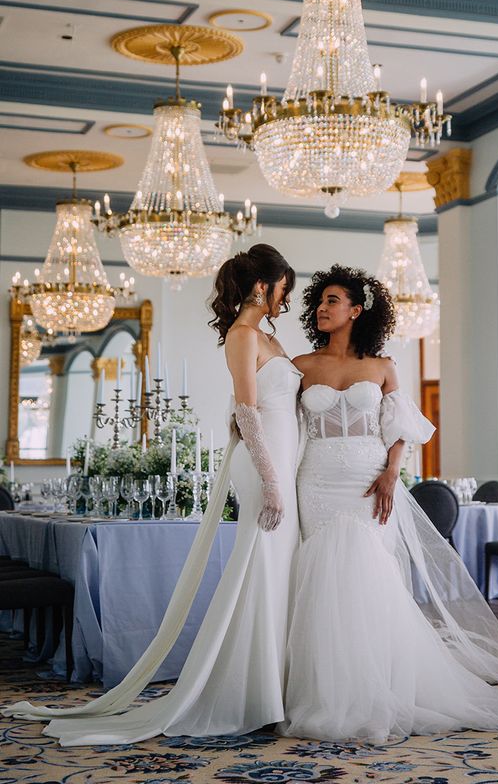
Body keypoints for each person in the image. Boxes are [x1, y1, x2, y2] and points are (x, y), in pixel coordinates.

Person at [280, 265, 498, 742]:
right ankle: (322, 688)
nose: (323, 307)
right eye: (322, 300)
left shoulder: (382, 367)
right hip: (315, 481)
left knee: (365, 571)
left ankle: (378, 685)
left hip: (368, 480)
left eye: (333, 300)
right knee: (320, 573)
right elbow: (278, 419)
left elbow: (402, 428)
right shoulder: (302, 365)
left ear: (357, 310)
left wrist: (393, 472)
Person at [4, 244, 302, 745]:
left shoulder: (270, 336)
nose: (284, 298)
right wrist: (271, 479)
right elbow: (248, 411)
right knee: (261, 567)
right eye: (283, 288)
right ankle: (253, 694)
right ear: (261, 286)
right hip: (262, 464)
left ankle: (274, 687)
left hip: (283, 457)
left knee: (278, 570)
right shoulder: (242, 334)